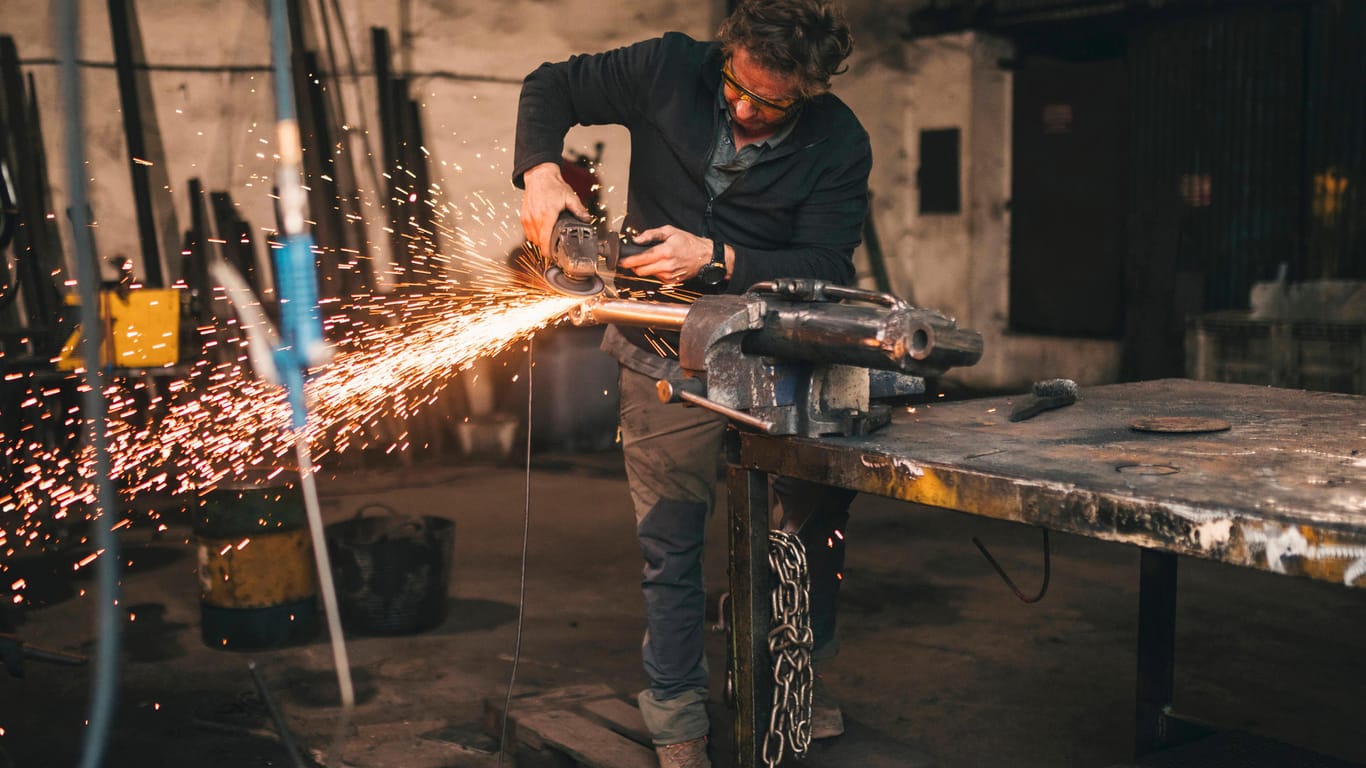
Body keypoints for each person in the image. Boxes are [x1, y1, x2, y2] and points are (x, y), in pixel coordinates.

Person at [513, 2, 868, 766]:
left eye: (771, 103)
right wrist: (541, 174)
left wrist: (720, 259)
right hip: (662, 353)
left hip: (782, 362)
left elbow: (832, 267)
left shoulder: (839, 141)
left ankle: (788, 685)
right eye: (738, 87)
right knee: (670, 544)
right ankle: (677, 717)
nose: (745, 109)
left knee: (800, 542)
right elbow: (551, 85)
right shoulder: (670, 69)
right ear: (727, 53)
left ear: (810, 89)